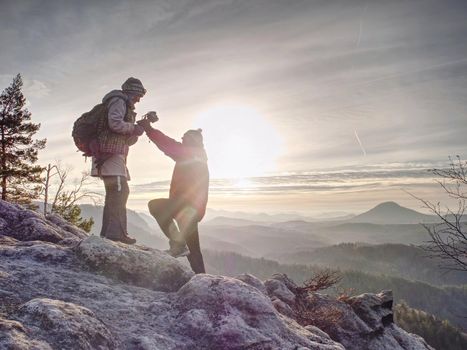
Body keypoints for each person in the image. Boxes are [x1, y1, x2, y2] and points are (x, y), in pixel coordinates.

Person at [138, 120, 209, 274]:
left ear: (190, 141)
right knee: (193, 248)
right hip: (191, 208)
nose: (181, 141)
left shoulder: (190, 154)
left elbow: (167, 144)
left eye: (184, 139)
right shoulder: (199, 156)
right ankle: (202, 278)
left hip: (185, 206)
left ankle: (177, 245)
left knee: (155, 206)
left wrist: (149, 129)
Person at [91, 77, 146, 244]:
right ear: (131, 92)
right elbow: (115, 124)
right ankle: (115, 234)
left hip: (108, 155)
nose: (138, 100)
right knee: (120, 192)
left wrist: (135, 131)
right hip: (110, 156)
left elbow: (119, 131)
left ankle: (108, 234)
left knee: (115, 193)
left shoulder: (117, 102)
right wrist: (134, 128)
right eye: (137, 95)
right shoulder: (118, 101)